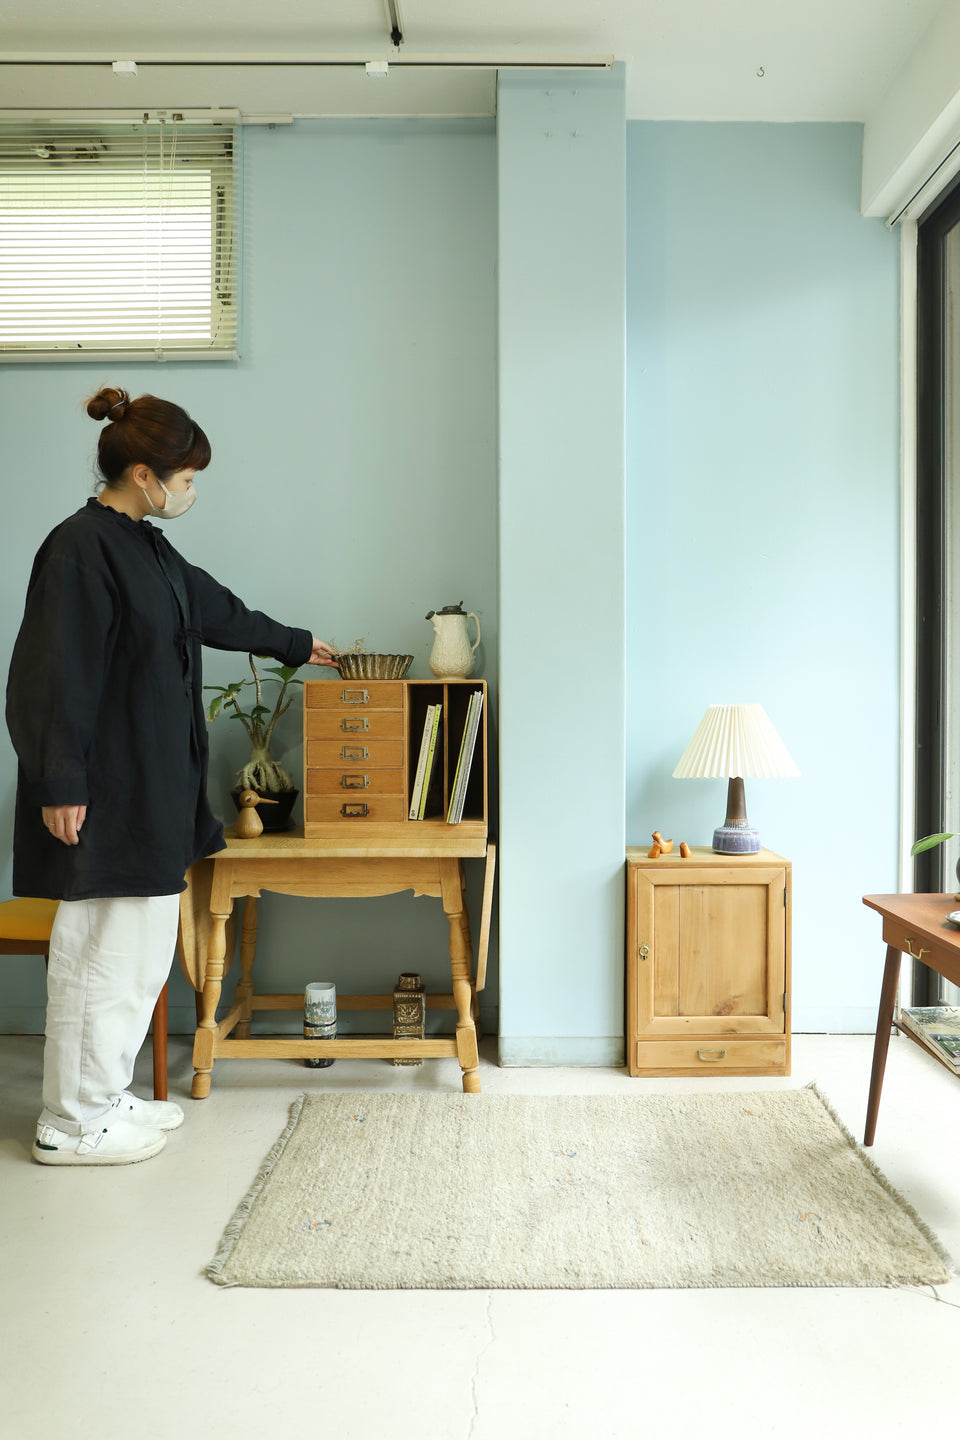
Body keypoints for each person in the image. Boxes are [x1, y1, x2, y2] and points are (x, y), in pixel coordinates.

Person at [5, 386, 337, 1166]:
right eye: (186, 477)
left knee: (140, 956)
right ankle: (71, 1121)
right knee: (99, 956)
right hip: (102, 795)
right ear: (147, 473)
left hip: (152, 793)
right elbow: (54, 675)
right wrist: (61, 782)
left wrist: (297, 641)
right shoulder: (79, 548)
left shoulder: (147, 546)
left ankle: (104, 1092)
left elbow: (212, 610)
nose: (190, 491)